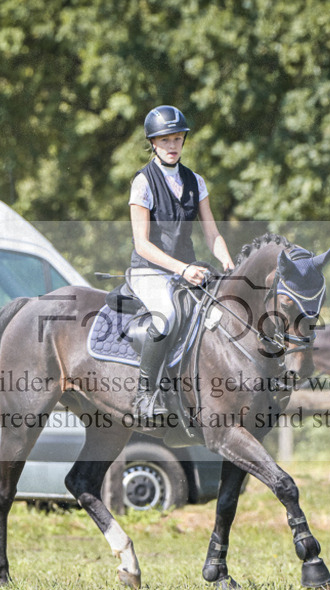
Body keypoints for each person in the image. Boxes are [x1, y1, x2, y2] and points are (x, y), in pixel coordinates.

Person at [128, 105, 235, 418]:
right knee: (167, 316)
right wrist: (182, 268)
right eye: (165, 140)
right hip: (150, 271)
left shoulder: (195, 181)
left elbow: (212, 234)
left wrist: (229, 265)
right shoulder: (143, 182)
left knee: (222, 312)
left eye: (177, 138)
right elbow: (142, 244)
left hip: (189, 271)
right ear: (153, 143)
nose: (172, 145)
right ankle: (145, 395)